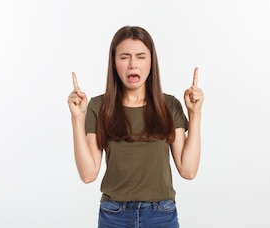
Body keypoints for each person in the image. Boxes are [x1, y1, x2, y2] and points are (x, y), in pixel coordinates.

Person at [67, 25, 204, 228]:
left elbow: (188, 170)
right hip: (114, 216)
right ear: (114, 62)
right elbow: (88, 174)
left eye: (140, 56)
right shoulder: (98, 107)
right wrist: (77, 118)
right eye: (124, 57)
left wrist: (195, 113)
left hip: (161, 215)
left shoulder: (169, 105)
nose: (133, 65)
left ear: (151, 61)